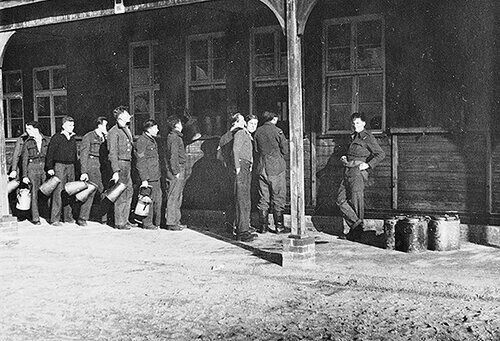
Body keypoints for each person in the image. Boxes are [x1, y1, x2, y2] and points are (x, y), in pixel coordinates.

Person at [336, 112, 385, 239]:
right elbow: (349, 152)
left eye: (357, 123)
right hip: (347, 169)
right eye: (353, 123)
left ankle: (356, 233)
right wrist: (343, 156)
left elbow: (380, 154)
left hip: (358, 172)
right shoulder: (352, 136)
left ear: (363, 123)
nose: (355, 125)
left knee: (356, 201)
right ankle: (357, 226)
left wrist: (368, 165)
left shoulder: (367, 137)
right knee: (340, 200)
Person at [254, 111, 289, 234]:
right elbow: (285, 150)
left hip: (261, 167)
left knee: (263, 198)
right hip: (276, 168)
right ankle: (279, 227)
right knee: (278, 196)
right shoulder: (277, 131)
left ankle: (263, 227)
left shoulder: (258, 131)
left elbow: (256, 149)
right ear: (274, 119)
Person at [45, 116, 78, 226]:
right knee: (58, 192)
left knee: (69, 191)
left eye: (73, 125)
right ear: (63, 126)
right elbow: (50, 153)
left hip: (71, 167)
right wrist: (49, 167)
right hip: (59, 166)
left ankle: (68, 217)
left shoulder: (73, 138)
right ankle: (55, 219)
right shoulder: (57, 137)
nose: (72, 127)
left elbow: (75, 155)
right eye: (69, 125)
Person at [216, 112, 245, 233]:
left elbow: (219, 156)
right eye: (242, 120)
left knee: (229, 199)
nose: (244, 123)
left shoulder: (223, 137)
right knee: (239, 198)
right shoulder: (238, 135)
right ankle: (240, 227)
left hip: (225, 170)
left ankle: (229, 225)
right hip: (236, 170)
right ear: (237, 122)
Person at [107, 106, 135, 230]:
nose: (130, 115)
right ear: (121, 117)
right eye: (127, 113)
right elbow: (112, 152)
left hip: (127, 163)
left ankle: (125, 219)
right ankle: (119, 222)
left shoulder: (125, 129)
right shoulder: (114, 132)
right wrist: (115, 171)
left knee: (129, 191)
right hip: (121, 164)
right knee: (121, 193)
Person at [77, 116, 109, 227]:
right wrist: (84, 171)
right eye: (105, 125)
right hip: (92, 165)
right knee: (91, 190)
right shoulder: (89, 136)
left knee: (104, 191)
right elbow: (83, 155)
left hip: (103, 166)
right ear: (99, 125)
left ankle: (104, 218)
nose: (107, 127)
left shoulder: (106, 137)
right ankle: (82, 217)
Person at [232, 114, 259, 242]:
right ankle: (242, 232)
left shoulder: (247, 135)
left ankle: (244, 227)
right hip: (241, 167)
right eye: (251, 123)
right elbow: (235, 150)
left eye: (255, 124)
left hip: (245, 166)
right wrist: (237, 167)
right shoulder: (241, 133)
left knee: (246, 198)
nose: (253, 126)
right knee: (242, 199)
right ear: (246, 123)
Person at [21, 121, 50, 225]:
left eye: (29, 129)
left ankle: (48, 215)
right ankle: (36, 218)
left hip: (44, 168)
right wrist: (24, 175)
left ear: (36, 129)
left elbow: (50, 156)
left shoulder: (47, 140)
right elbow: (24, 160)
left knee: (47, 191)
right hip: (32, 168)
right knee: (34, 193)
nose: (27, 131)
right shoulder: (27, 142)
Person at [135, 119, 162, 230]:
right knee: (148, 199)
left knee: (157, 199)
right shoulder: (142, 141)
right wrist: (144, 178)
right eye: (156, 128)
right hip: (149, 176)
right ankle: (147, 223)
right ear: (149, 129)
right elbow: (140, 161)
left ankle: (156, 222)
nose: (158, 130)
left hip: (155, 175)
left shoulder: (152, 140)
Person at [165, 116, 186, 231]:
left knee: (178, 195)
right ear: (177, 125)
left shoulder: (175, 137)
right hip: (177, 169)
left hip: (178, 168)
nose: (182, 125)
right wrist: (176, 171)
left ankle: (176, 221)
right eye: (180, 123)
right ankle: (172, 222)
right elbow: (173, 156)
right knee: (174, 195)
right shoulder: (174, 137)